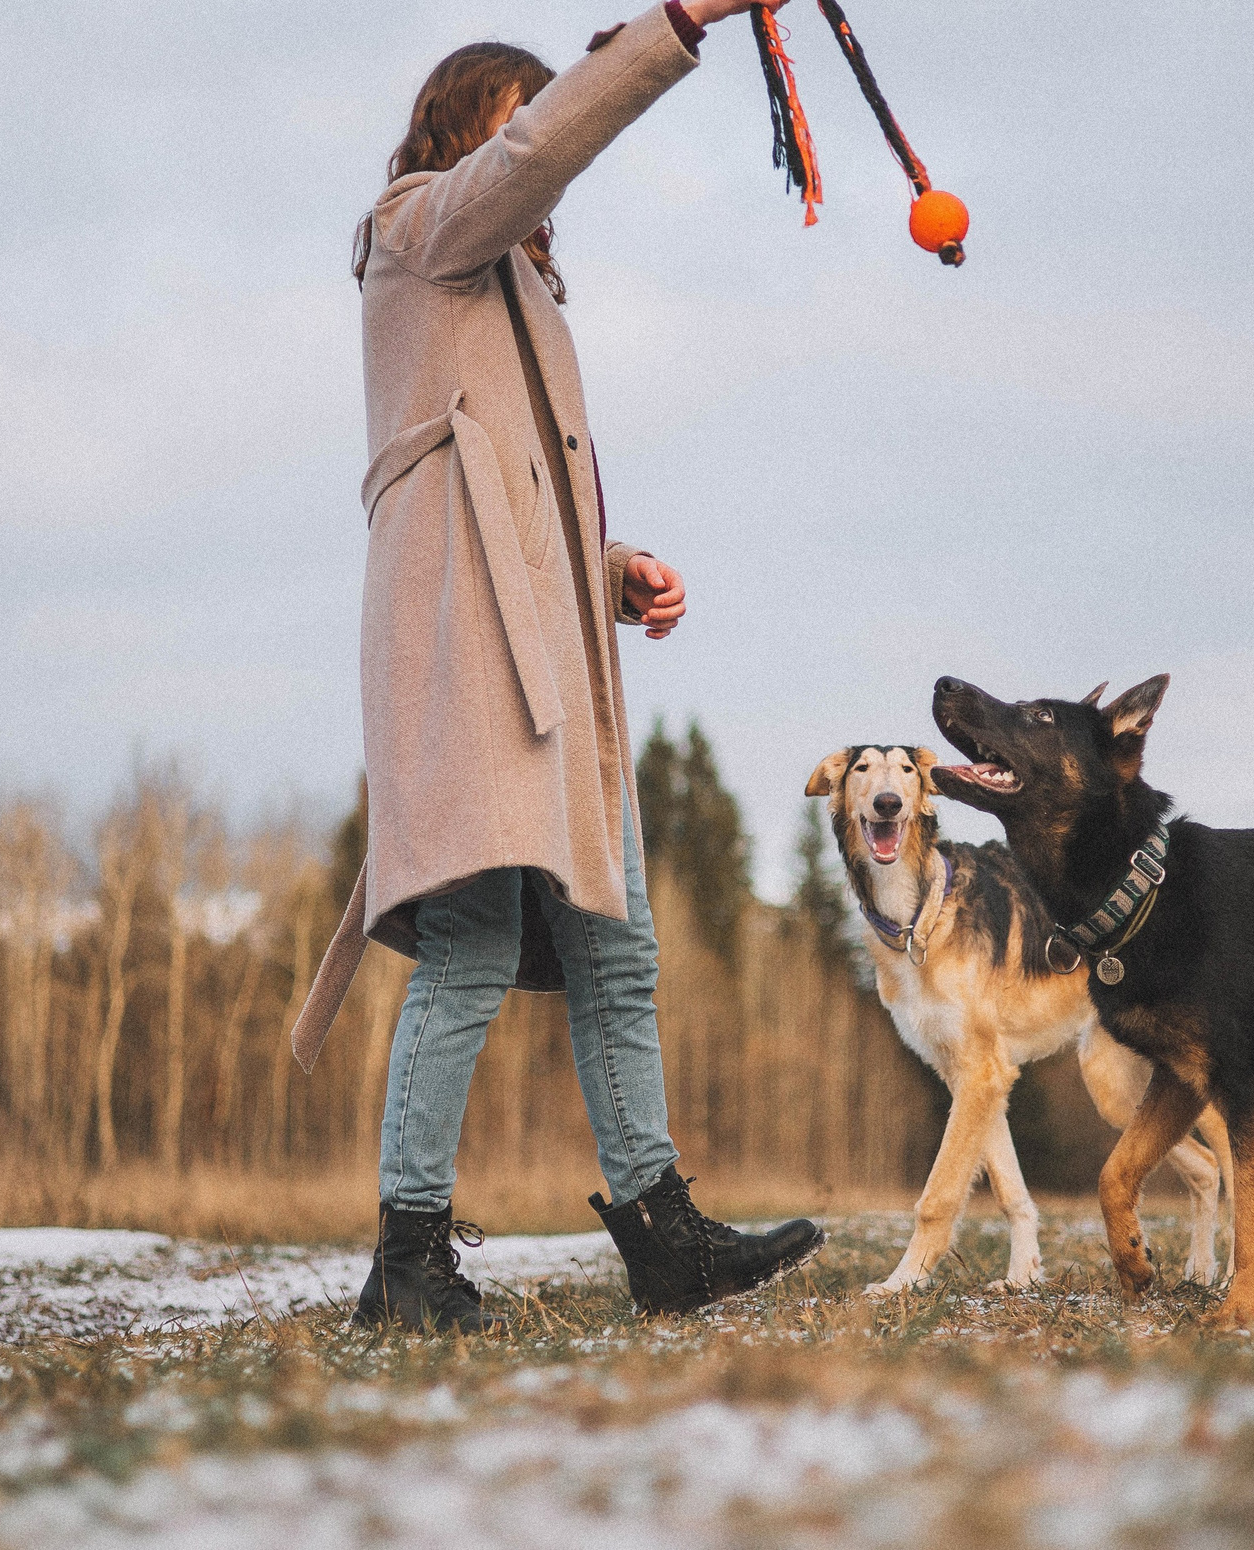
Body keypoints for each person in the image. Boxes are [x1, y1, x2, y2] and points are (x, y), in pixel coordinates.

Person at [328, 0, 823, 1333]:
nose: (544, 156)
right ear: (464, 123)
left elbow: (520, 496)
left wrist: (615, 571)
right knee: (476, 948)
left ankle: (662, 1233)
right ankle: (409, 1256)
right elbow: (528, 164)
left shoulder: (525, 291)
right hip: (469, 660)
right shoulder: (416, 230)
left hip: (553, 665)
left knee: (622, 949)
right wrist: (666, 30)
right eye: (520, 113)